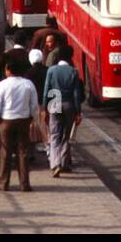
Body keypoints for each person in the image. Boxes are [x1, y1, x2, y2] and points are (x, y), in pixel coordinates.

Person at [0, 50, 40, 191]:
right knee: (23, 152)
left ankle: (3, 183)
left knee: (5, 152)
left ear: (8, 70)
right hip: (24, 120)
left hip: (6, 120)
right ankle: (24, 183)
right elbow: (34, 105)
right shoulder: (28, 84)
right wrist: (31, 117)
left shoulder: (2, 85)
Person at [42, 44, 83, 177]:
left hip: (54, 102)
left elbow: (46, 89)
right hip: (69, 104)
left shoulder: (51, 70)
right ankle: (64, 164)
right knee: (65, 135)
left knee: (54, 135)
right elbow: (76, 93)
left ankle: (55, 164)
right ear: (70, 56)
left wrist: (44, 107)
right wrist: (78, 112)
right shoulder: (73, 71)